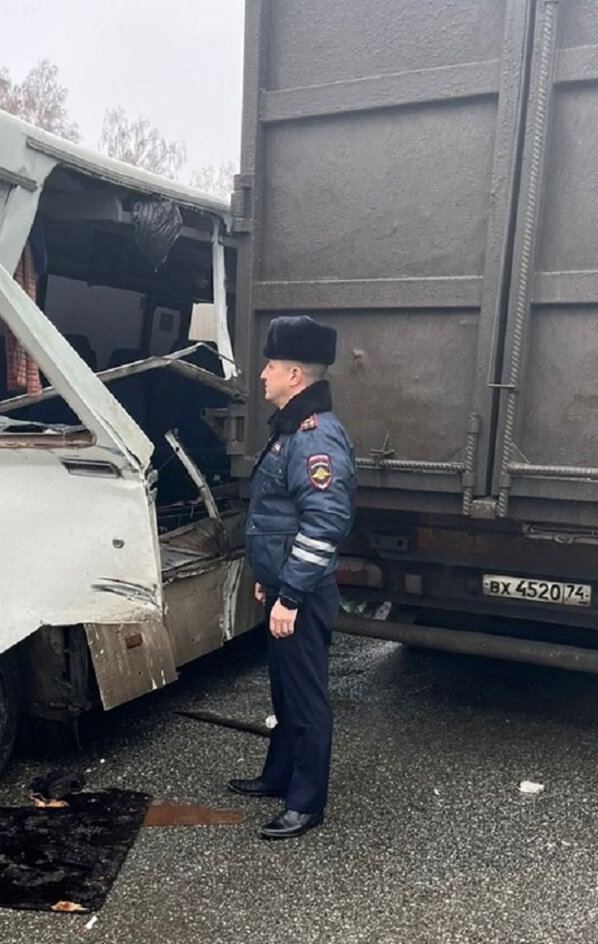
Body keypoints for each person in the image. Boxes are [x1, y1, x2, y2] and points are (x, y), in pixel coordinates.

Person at [230, 314, 356, 839]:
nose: (263, 374)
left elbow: (325, 523)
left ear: (295, 376)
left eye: (271, 366)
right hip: (286, 586)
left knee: (305, 699)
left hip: (302, 594)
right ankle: (278, 775)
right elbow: (279, 517)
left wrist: (293, 595)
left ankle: (306, 802)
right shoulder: (289, 430)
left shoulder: (314, 437)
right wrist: (271, 577)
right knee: (284, 693)